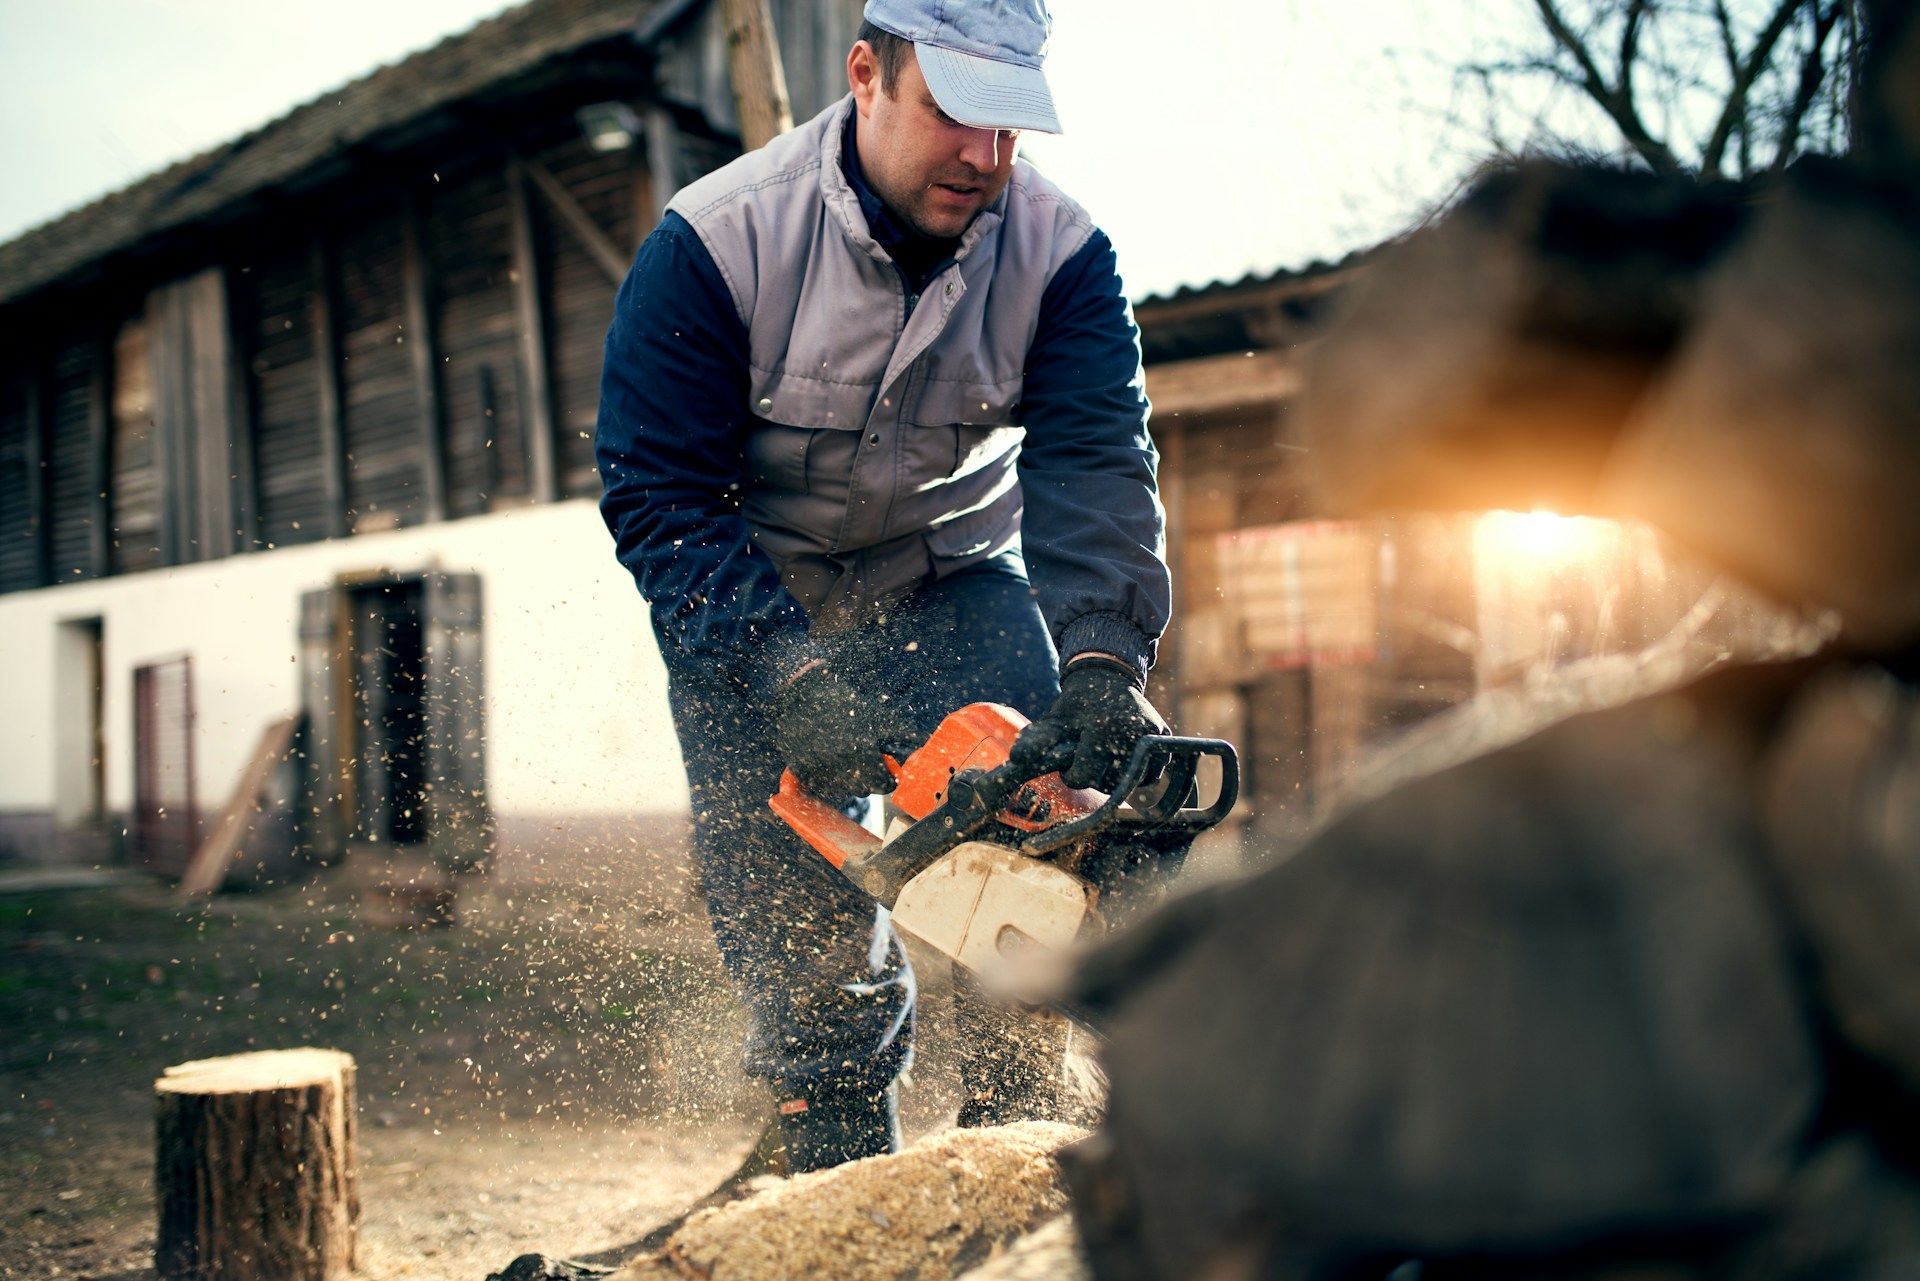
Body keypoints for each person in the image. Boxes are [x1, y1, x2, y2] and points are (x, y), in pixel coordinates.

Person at [595, 0, 1172, 1173]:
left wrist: (1106, 660)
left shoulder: (1063, 257)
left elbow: (1094, 460)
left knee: (1047, 818)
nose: (985, 158)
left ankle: (1027, 1100)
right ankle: (835, 1124)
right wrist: (783, 670)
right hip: (752, 597)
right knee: (786, 896)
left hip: (945, 576)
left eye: (1012, 129)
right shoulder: (713, 244)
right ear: (867, 75)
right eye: (957, 115)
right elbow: (659, 496)